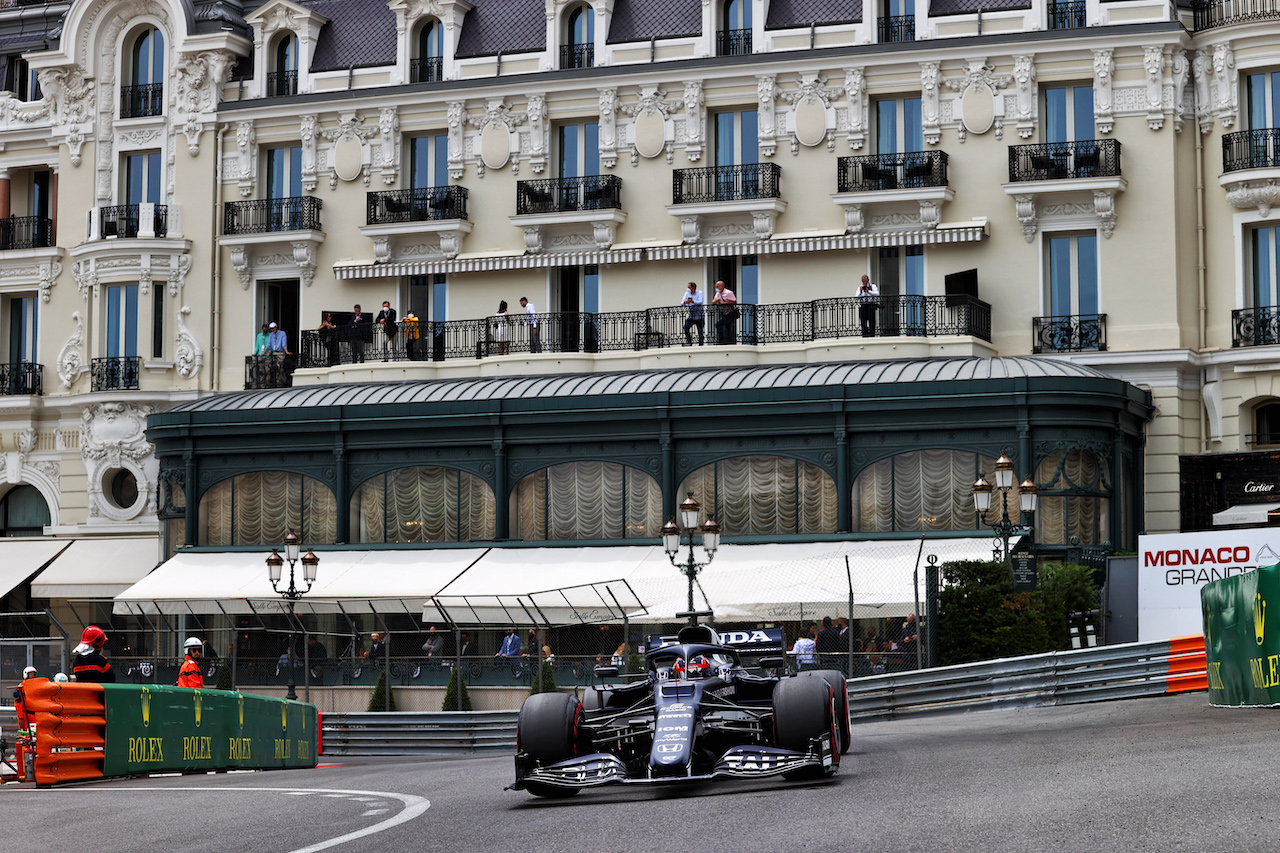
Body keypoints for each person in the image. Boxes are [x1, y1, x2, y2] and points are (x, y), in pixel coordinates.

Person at [712, 280, 738, 345]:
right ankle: (730, 341)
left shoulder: (728, 293)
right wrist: (715, 301)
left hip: (731, 313)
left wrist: (724, 302)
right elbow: (713, 302)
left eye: (717, 286)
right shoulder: (718, 293)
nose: (716, 288)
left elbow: (734, 302)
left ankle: (722, 340)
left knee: (719, 324)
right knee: (728, 327)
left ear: (722, 286)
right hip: (724, 313)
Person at [681, 281, 705, 346]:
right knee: (686, 327)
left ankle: (701, 344)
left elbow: (700, 302)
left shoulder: (699, 293)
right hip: (691, 315)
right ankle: (689, 341)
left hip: (700, 315)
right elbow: (682, 303)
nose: (687, 289)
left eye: (689, 287)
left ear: (693, 288)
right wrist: (685, 302)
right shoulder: (687, 294)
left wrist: (692, 301)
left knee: (700, 331)